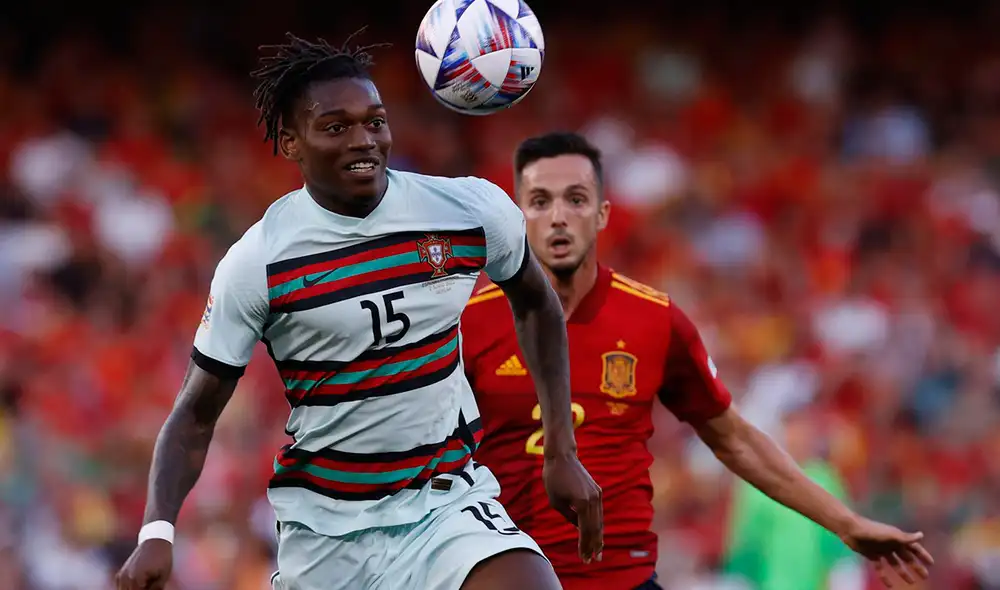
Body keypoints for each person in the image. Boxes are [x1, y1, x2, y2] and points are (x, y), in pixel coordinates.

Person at [114, 34, 603, 590]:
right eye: (335, 127)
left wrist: (560, 450)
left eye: (375, 121)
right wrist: (158, 530)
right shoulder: (259, 263)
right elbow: (195, 415)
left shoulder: (468, 210)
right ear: (290, 142)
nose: (364, 140)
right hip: (328, 534)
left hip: (444, 501)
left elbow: (536, 303)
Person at [461, 132, 935, 590]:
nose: (558, 217)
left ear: (603, 214)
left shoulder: (654, 320)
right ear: (519, 216)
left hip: (624, 582)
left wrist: (847, 525)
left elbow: (735, 440)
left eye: (576, 199)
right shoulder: (468, 324)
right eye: (541, 202)